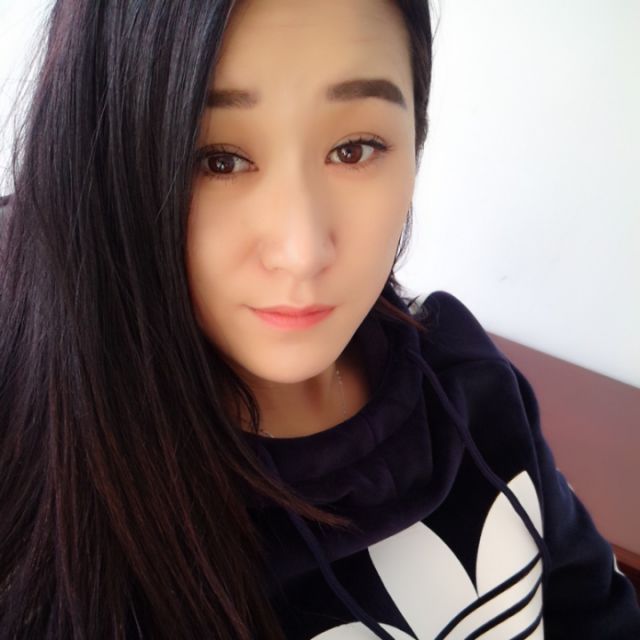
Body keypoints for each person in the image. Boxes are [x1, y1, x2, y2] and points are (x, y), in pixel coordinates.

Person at [0, 0, 638, 638]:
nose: (302, 251)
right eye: (218, 160)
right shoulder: (57, 496)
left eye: (354, 149)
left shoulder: (467, 380)